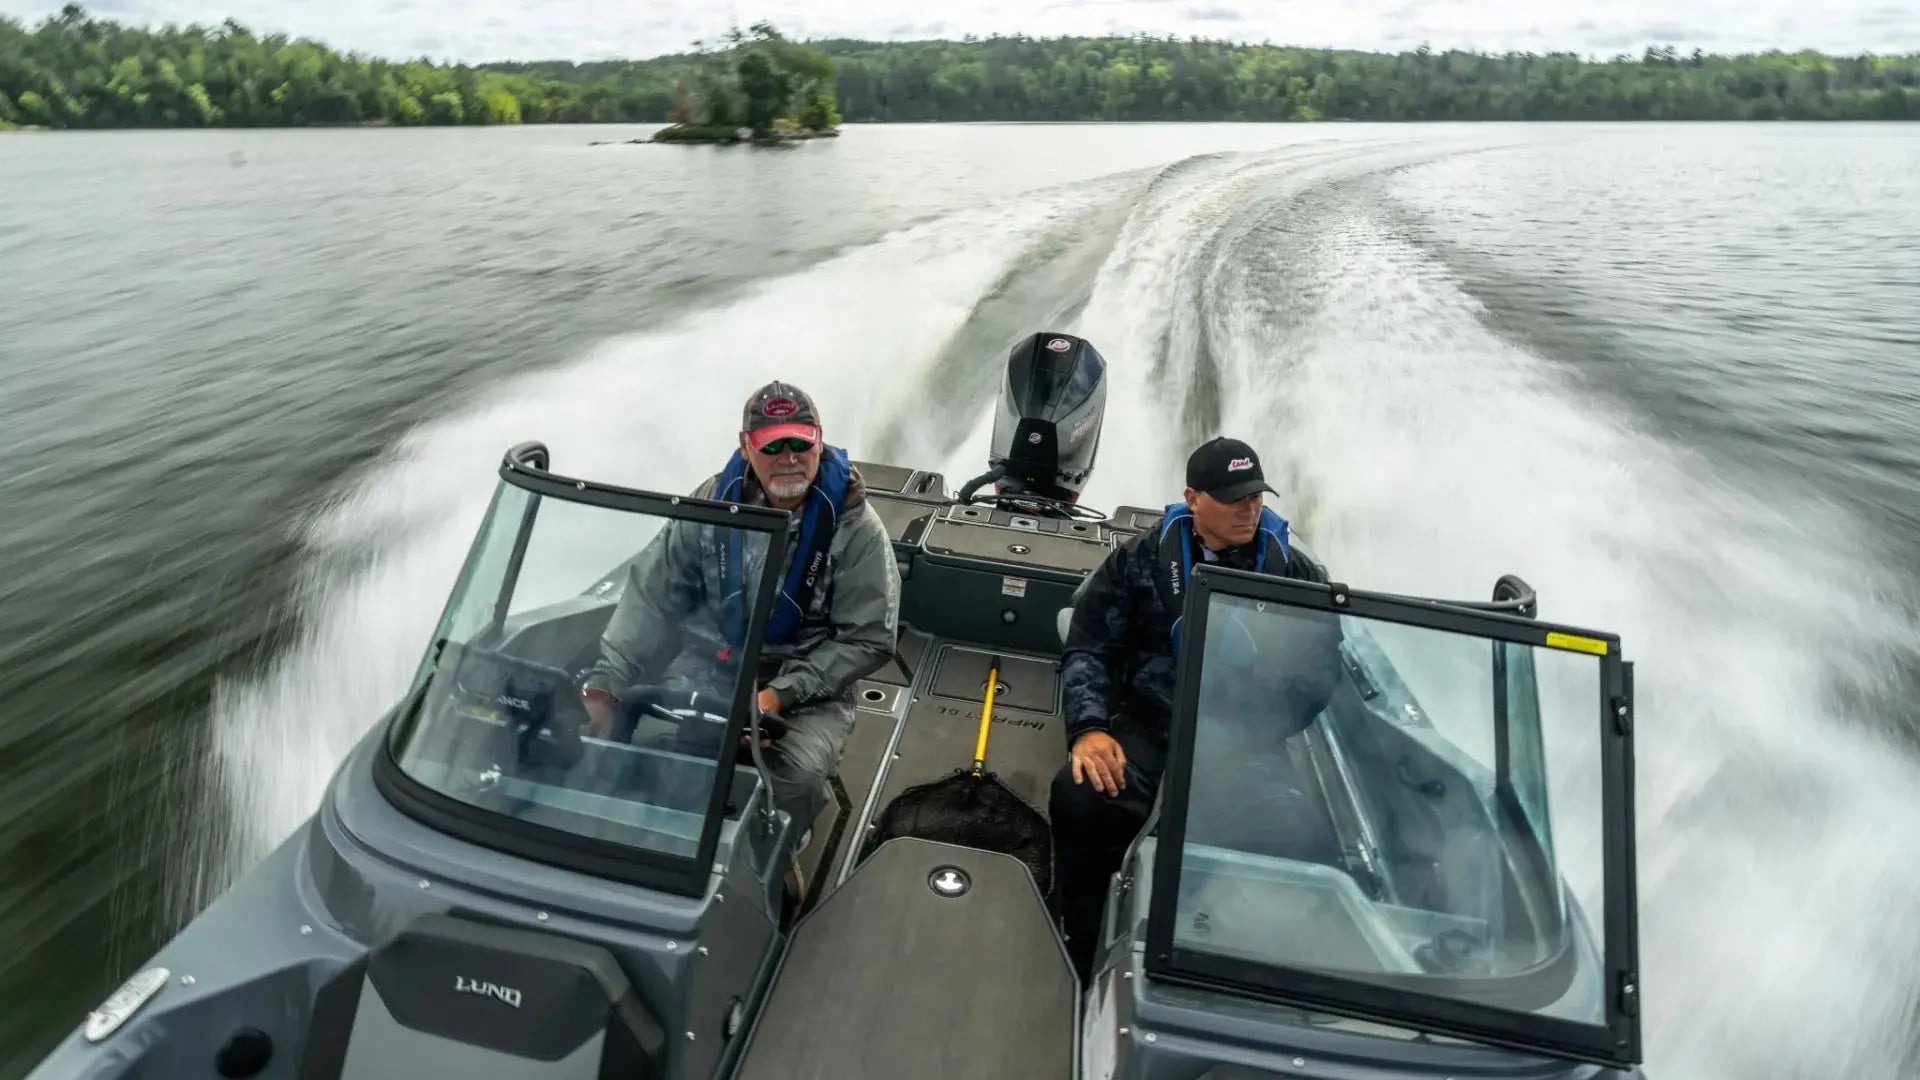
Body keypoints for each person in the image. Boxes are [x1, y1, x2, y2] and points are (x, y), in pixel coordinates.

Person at [1049, 436, 1331, 980]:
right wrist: (1089, 729)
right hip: (1148, 730)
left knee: (1302, 836)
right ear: (1193, 499)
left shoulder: (1294, 576)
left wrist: (1256, 729)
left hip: (1249, 743)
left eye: (1255, 497)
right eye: (1233, 498)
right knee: (1081, 796)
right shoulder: (1138, 561)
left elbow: (1319, 673)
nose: (1249, 509)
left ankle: (1242, 965)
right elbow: (1088, 647)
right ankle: (1082, 939)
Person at [577, 381, 901, 845]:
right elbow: (652, 596)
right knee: (655, 752)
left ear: (819, 441)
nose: (788, 458)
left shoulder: (857, 528)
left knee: (793, 778)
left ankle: (773, 851)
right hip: (711, 661)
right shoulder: (711, 503)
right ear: (746, 447)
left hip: (806, 684)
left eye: (800, 443)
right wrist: (606, 683)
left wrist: (778, 696)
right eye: (772, 446)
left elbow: (868, 637)